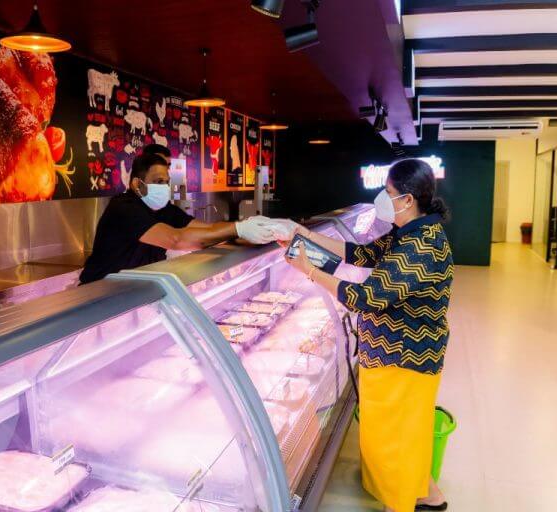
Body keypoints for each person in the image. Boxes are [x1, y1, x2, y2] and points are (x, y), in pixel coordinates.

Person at [282, 159, 453, 512]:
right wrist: (307, 236)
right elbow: (361, 253)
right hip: (393, 353)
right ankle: (428, 495)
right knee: (405, 432)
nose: (382, 198)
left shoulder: (421, 245)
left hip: (405, 356)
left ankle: (401, 502)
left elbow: (367, 298)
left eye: (388, 193)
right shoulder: (409, 231)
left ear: (407, 200)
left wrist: (310, 271)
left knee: (397, 437)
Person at [79, 153, 275, 284]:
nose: (164, 187)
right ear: (137, 185)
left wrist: (247, 233)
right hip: (100, 292)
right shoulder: (124, 207)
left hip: (134, 289)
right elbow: (176, 239)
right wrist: (238, 230)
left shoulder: (165, 210)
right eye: (157, 182)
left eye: (166, 182)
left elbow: (207, 229)